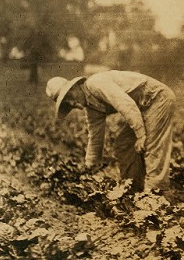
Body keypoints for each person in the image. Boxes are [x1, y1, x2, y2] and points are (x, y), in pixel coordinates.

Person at [46, 70, 176, 193]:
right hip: (142, 108)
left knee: (151, 145)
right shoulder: (91, 107)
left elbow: (126, 105)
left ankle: (156, 193)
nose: (72, 103)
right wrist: (90, 166)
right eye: (66, 103)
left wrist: (141, 135)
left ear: (75, 87)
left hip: (157, 98)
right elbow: (95, 137)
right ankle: (133, 187)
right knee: (124, 143)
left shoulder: (96, 84)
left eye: (69, 96)